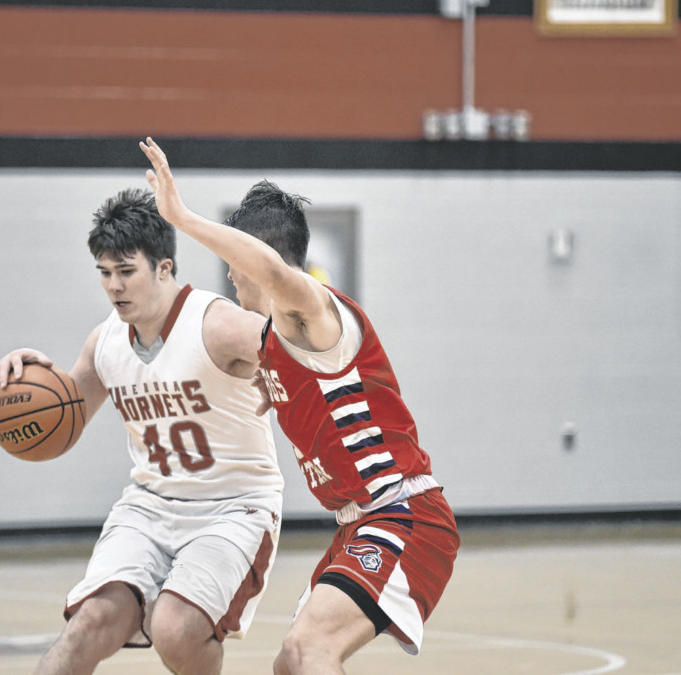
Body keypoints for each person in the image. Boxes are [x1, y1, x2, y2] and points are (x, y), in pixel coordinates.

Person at [140, 138, 460, 675]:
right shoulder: (275, 340)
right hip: (357, 521)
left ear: (254, 258)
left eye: (233, 262)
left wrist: (182, 217)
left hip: (403, 514)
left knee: (312, 651)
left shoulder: (312, 310)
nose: (230, 276)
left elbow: (276, 276)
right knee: (290, 661)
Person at [0, 187, 283, 675]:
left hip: (233, 507)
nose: (114, 287)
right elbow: (67, 415)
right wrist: (23, 380)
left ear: (164, 267)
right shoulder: (105, 343)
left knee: (176, 628)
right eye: (105, 273)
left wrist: (282, 377)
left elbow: (299, 351)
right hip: (149, 506)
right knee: (88, 624)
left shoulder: (216, 323)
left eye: (126, 272)